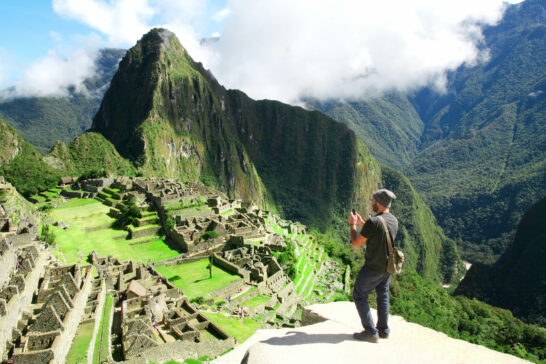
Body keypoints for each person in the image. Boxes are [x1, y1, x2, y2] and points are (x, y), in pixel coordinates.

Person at [348, 189, 398, 343]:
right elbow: (380, 234)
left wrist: (353, 225)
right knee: (383, 295)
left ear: (378, 203)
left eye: (373, 201)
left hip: (373, 269)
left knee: (359, 294)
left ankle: (370, 332)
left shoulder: (374, 222)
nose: (371, 203)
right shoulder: (393, 220)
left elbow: (356, 243)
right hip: (387, 268)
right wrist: (365, 223)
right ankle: (383, 330)